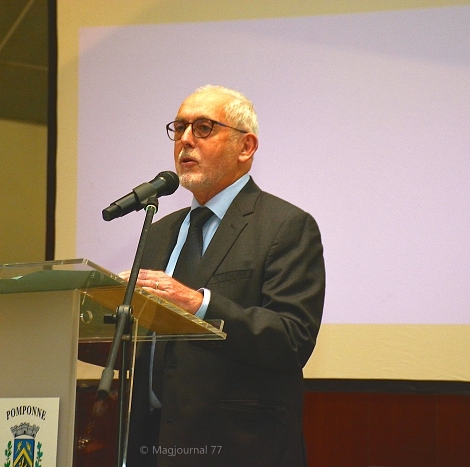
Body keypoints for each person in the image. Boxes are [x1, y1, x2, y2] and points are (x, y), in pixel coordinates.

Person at [122, 85, 325, 466]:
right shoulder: (160, 231)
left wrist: (199, 305)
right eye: (179, 128)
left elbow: (292, 339)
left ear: (246, 147)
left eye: (203, 128)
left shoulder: (285, 226)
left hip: (239, 448)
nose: (185, 140)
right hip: (151, 444)